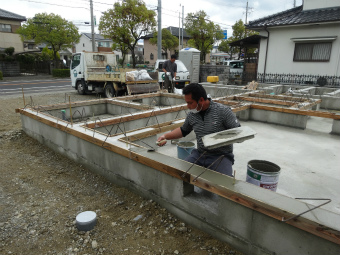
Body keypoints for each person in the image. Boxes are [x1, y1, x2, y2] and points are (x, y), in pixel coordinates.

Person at [157, 83, 240, 177]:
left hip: (221, 155)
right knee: (180, 174)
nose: (188, 106)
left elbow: (238, 132)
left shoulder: (223, 111)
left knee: (225, 184)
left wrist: (218, 139)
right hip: (200, 154)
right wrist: (165, 136)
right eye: (187, 102)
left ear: (201, 100)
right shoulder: (192, 115)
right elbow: (183, 130)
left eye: (190, 103)